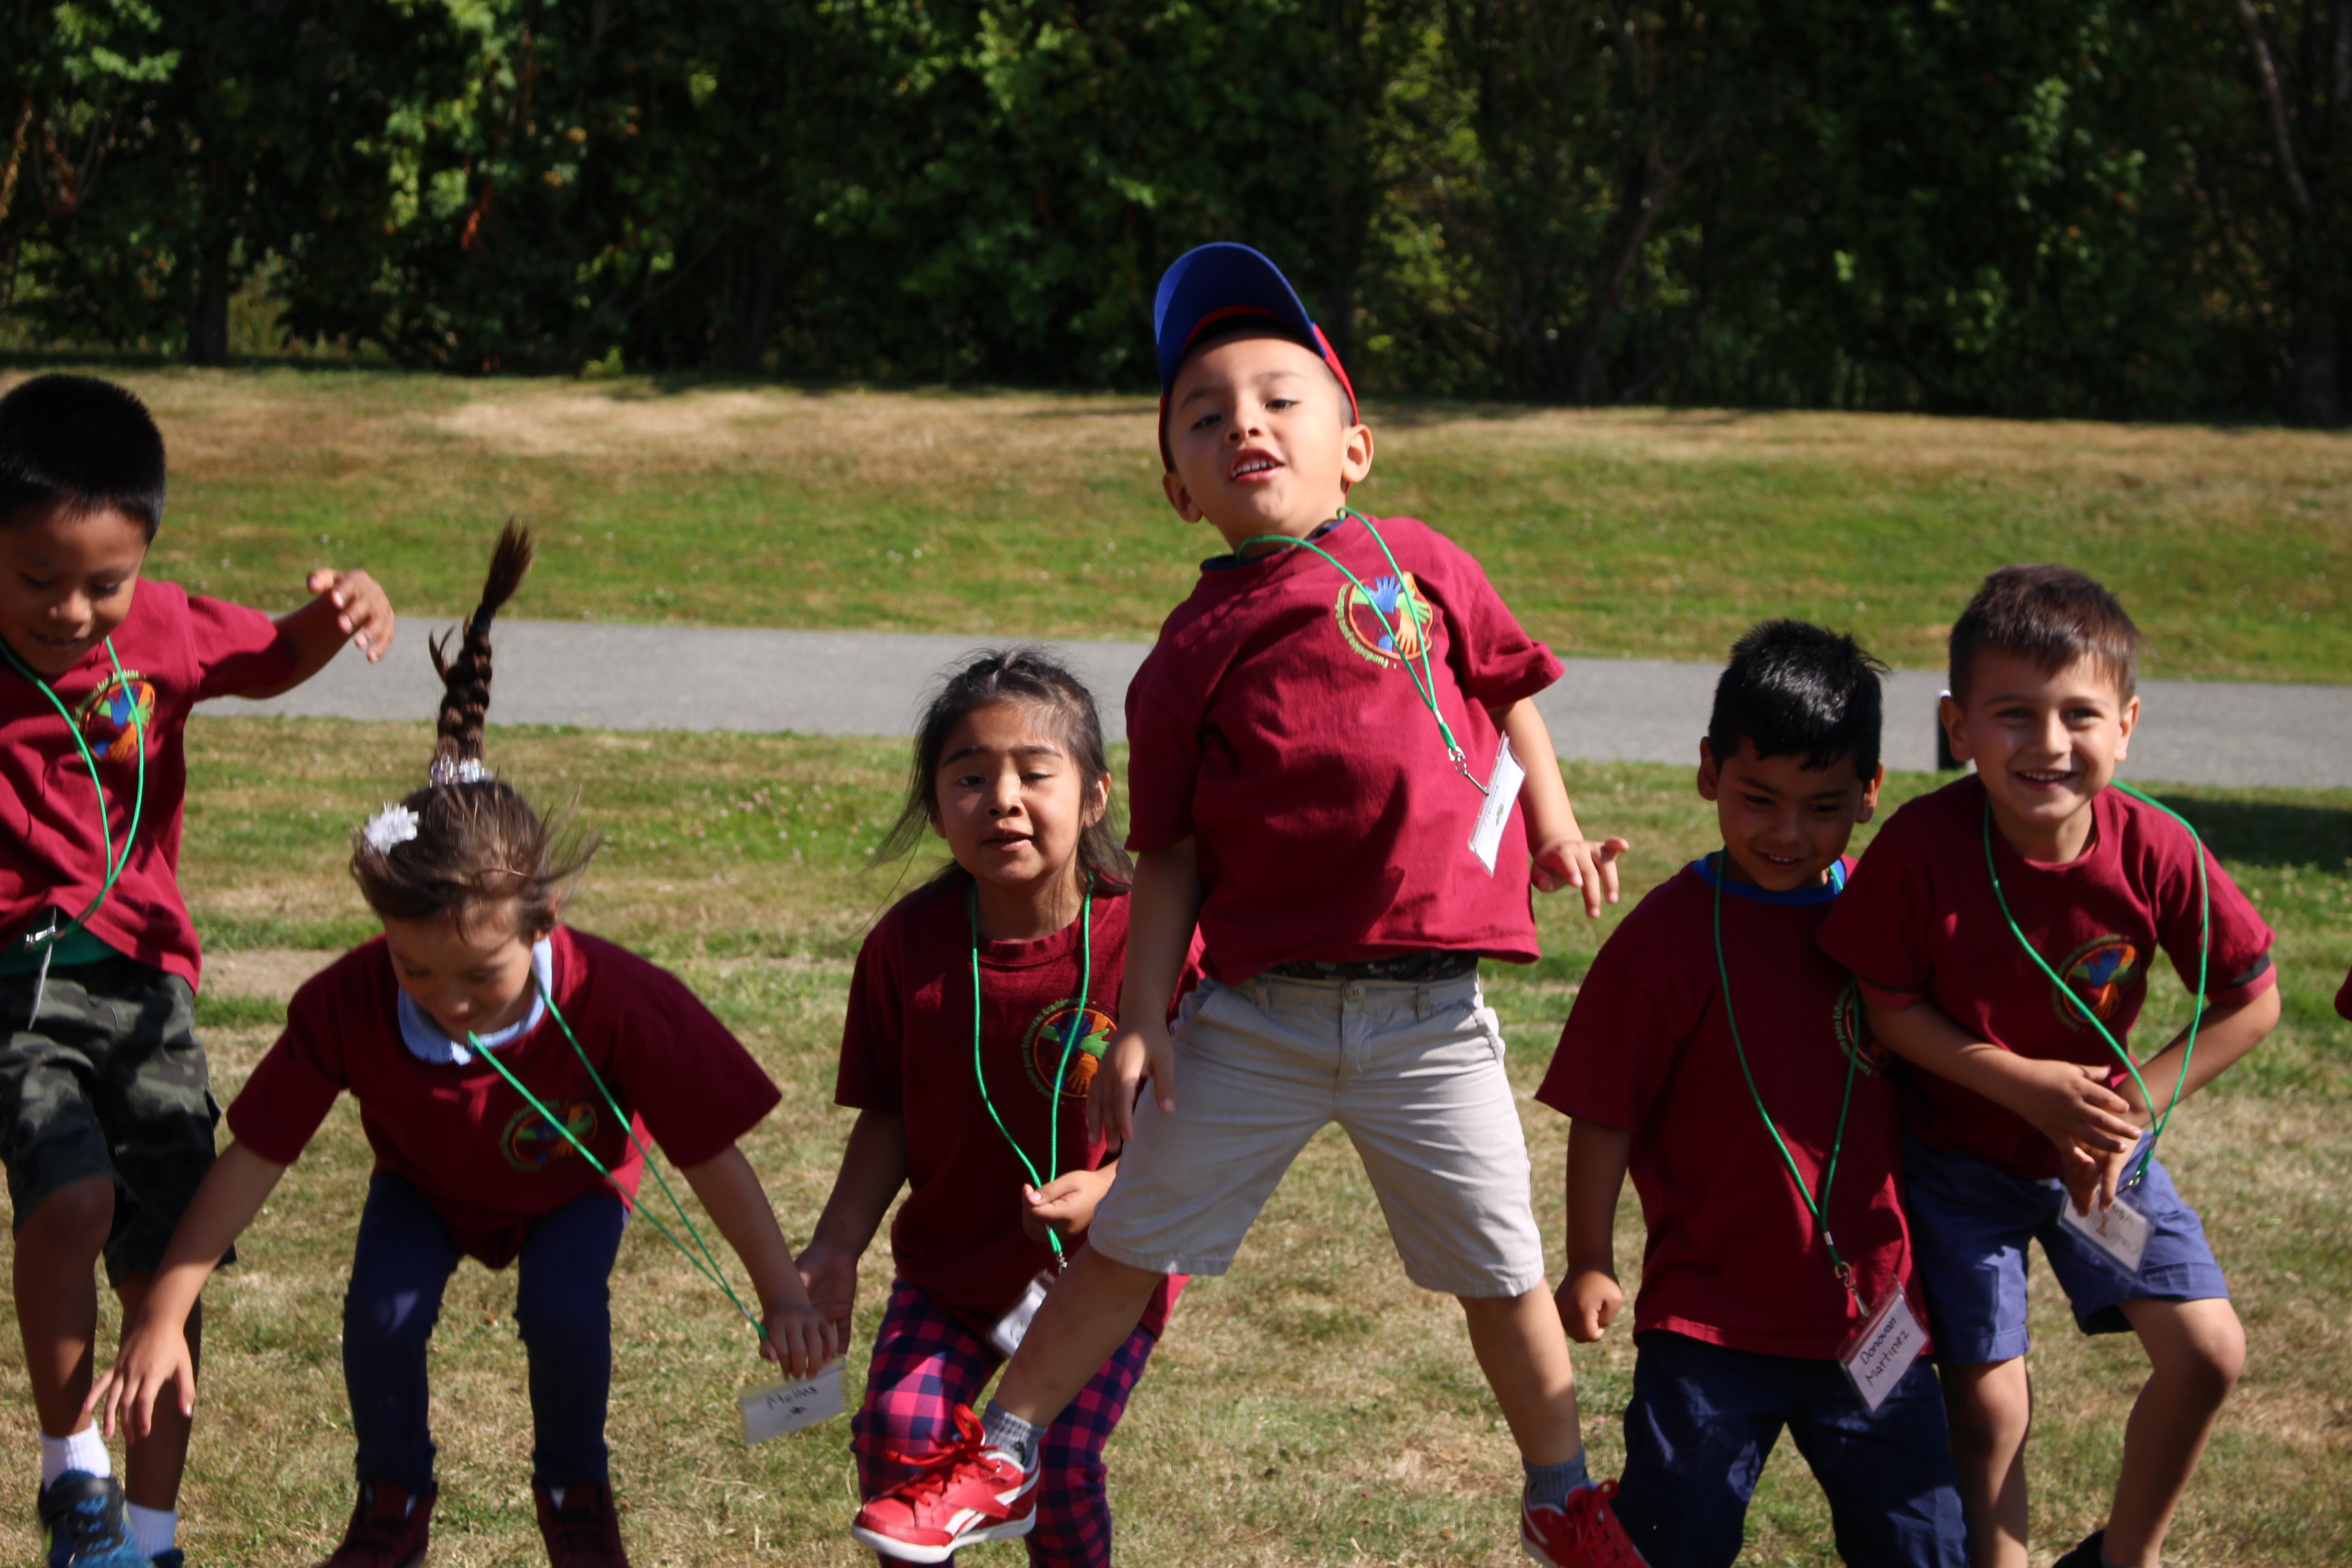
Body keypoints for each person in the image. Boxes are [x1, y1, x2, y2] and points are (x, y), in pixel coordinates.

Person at [849, 242, 1642, 1567]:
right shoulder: (1186, 657)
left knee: (1503, 1270)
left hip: (1431, 1020)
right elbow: (1167, 859)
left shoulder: (1420, 561)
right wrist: (1144, 1019)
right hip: (1255, 1016)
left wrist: (1552, 825)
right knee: (1129, 1241)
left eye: (1281, 397)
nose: (1246, 425)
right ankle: (1000, 1454)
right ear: (1178, 487)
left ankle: (1560, 1488)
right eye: (1206, 418)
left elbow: (1509, 691)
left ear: (1357, 446)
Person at [84, 525, 836, 1568]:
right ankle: (392, 1501)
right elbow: (253, 1160)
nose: (449, 1002)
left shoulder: (621, 999)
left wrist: (783, 1293)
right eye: (415, 972)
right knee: (382, 1311)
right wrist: (164, 1309)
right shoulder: (346, 1002)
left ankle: (576, 1493)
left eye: (481, 976)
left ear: (545, 921)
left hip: (572, 1188)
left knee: (563, 1305)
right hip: (426, 1186)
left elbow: (712, 1154)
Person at [0, 373, 395, 1568]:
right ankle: (77, 1474)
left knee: (170, 1249)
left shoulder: (162, 627)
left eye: (102, 583)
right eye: (34, 580)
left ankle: (150, 1539)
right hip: (14, 983)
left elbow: (267, 659)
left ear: (144, 557)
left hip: (146, 983)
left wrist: (338, 613)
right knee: (70, 1200)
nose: (72, 611)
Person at [1820, 566, 2280, 1568]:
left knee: (2210, 1354)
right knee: (1990, 1402)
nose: (2049, 745)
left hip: (2100, 1168)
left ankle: (2128, 1557)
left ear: (2127, 724)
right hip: (1958, 1167)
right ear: (1958, 728)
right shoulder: (1922, 846)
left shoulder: (2160, 849)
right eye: (2014, 715)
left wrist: (2127, 1110)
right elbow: (1889, 1012)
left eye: (2080, 715)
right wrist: (2026, 1085)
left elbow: (2253, 1000)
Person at [1543, 620, 1967, 1568]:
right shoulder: (1666, 938)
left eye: (1821, 806)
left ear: (1870, 793)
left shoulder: (1888, 925)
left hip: (1873, 1315)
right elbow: (1604, 1110)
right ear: (1708, 774)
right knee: (1672, 1538)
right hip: (1710, 1321)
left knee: (1924, 1541)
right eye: (1758, 799)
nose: (1786, 832)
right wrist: (1589, 1259)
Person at [802, 649, 1194, 1567]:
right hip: (950, 1267)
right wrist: (834, 1244)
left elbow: (1207, 1108)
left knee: (1050, 1465)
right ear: (937, 807)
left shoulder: (1149, 937)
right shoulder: (907, 948)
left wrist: (1113, 1189)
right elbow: (887, 1113)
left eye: (1034, 772)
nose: (1003, 799)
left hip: (1104, 1272)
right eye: (969, 777)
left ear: (1096, 795)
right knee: (895, 1438)